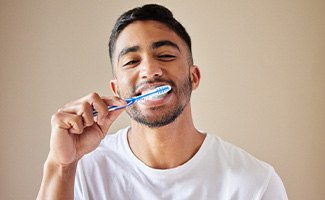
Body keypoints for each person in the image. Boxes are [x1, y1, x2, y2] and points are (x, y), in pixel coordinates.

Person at [37, 4, 288, 200]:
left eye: (165, 55)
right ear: (116, 89)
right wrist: (61, 166)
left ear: (194, 77)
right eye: (132, 61)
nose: (150, 70)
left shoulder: (255, 184)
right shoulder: (82, 171)